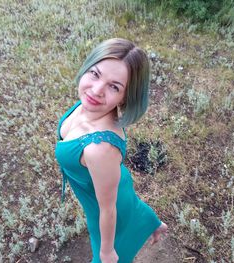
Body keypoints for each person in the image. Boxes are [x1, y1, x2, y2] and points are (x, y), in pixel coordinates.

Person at [55, 38, 168, 263]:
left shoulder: (99, 150)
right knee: (129, 201)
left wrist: (107, 252)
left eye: (114, 86)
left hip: (106, 214)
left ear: (125, 97)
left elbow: (108, 210)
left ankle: (143, 228)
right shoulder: (88, 106)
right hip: (115, 185)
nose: (96, 91)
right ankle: (153, 223)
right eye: (95, 74)